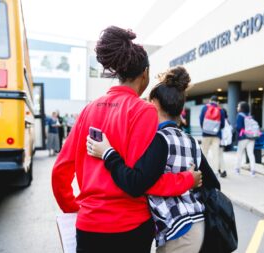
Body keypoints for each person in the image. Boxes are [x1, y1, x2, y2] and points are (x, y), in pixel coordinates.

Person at [51, 26, 201, 253]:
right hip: (131, 226)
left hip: (88, 224)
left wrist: (75, 208)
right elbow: (143, 180)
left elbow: (60, 171)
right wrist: (187, 180)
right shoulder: (144, 111)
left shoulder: (88, 110)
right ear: (145, 74)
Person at [86, 66, 220, 253]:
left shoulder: (159, 140)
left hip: (179, 231)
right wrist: (190, 181)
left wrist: (108, 153)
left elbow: (139, 182)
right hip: (197, 224)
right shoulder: (190, 140)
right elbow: (213, 184)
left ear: (155, 104)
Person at [199, 95, 225, 175]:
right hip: (216, 135)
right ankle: (215, 172)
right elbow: (223, 125)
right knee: (215, 154)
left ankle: (202, 171)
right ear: (218, 102)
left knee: (204, 152)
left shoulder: (205, 108)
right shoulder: (221, 110)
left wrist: (205, 128)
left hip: (205, 134)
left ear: (210, 100)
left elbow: (201, 120)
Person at [235, 101, 256, 176]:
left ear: (241, 108)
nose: (237, 108)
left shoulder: (240, 115)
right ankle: (253, 170)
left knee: (239, 153)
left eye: (238, 106)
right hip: (251, 137)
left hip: (243, 137)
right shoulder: (250, 116)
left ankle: (237, 169)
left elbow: (238, 127)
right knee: (251, 153)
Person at [218, 108, 233, 178]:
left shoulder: (223, 121)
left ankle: (223, 171)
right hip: (223, 141)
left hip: (221, 141)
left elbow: (224, 133)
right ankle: (219, 169)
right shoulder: (227, 121)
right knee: (219, 155)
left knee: (220, 156)